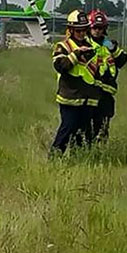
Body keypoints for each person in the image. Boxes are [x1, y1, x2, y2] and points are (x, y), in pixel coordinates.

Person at [50, 9, 101, 154]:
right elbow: (60, 66)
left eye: (84, 30)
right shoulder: (63, 46)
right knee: (68, 127)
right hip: (70, 97)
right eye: (78, 30)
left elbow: (95, 72)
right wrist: (76, 54)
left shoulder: (92, 47)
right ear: (71, 30)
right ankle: (55, 155)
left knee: (84, 133)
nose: (81, 33)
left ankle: (79, 159)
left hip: (88, 98)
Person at [87, 9, 127, 140]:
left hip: (106, 93)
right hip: (89, 91)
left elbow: (122, 60)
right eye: (95, 27)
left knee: (103, 129)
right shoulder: (85, 43)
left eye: (101, 28)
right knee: (87, 127)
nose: (98, 31)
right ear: (89, 27)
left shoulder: (108, 44)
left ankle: (100, 153)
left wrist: (114, 49)